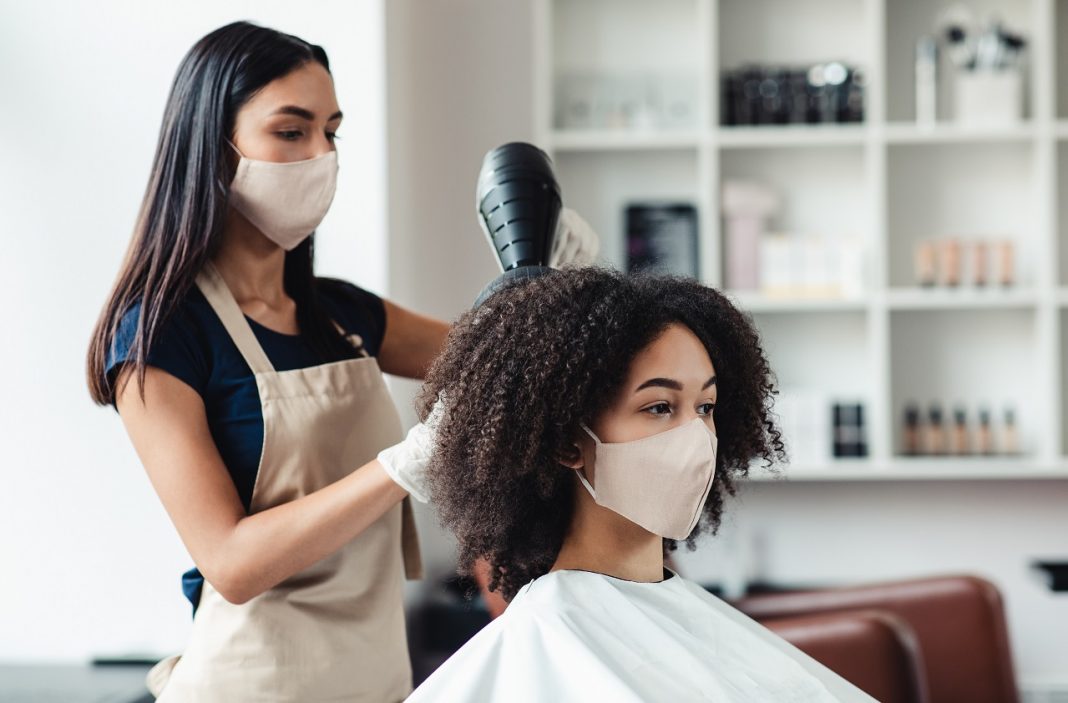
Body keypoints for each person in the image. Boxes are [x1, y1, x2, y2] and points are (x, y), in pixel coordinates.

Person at [84, 21, 595, 702]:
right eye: (292, 131)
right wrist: (400, 466)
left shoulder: (341, 315)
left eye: (332, 131)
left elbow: (506, 362)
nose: (322, 154)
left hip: (374, 681)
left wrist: (557, 285)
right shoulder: (159, 336)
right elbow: (231, 561)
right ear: (213, 147)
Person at [407, 267, 874, 702]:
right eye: (659, 407)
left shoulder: (681, 609)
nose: (696, 437)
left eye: (705, 407)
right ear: (570, 443)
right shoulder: (545, 637)